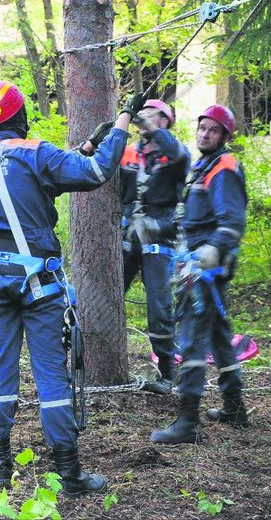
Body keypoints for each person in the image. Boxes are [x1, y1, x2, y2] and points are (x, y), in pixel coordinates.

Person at [0, 80, 141, 495]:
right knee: (50, 377)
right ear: (20, 115)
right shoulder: (36, 152)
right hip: (38, 287)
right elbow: (98, 173)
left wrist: (83, 147)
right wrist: (122, 122)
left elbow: (33, 183)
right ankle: (70, 473)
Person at [151, 104, 250, 444]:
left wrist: (210, 251)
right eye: (202, 128)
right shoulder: (201, 166)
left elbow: (232, 223)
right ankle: (235, 406)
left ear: (225, 136)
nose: (204, 134)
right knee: (220, 337)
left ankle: (188, 421)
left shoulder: (224, 167)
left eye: (212, 130)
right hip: (195, 262)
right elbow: (190, 218)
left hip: (206, 269)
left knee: (192, 339)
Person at [86, 100, 190, 394]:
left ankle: (167, 375)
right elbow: (100, 165)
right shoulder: (130, 153)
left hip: (159, 235)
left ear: (166, 121)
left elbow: (176, 153)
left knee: (159, 305)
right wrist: (95, 142)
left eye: (153, 115)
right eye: (143, 114)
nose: (144, 117)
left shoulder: (175, 154)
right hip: (129, 234)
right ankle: (91, 360)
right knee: (106, 293)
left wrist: (150, 127)